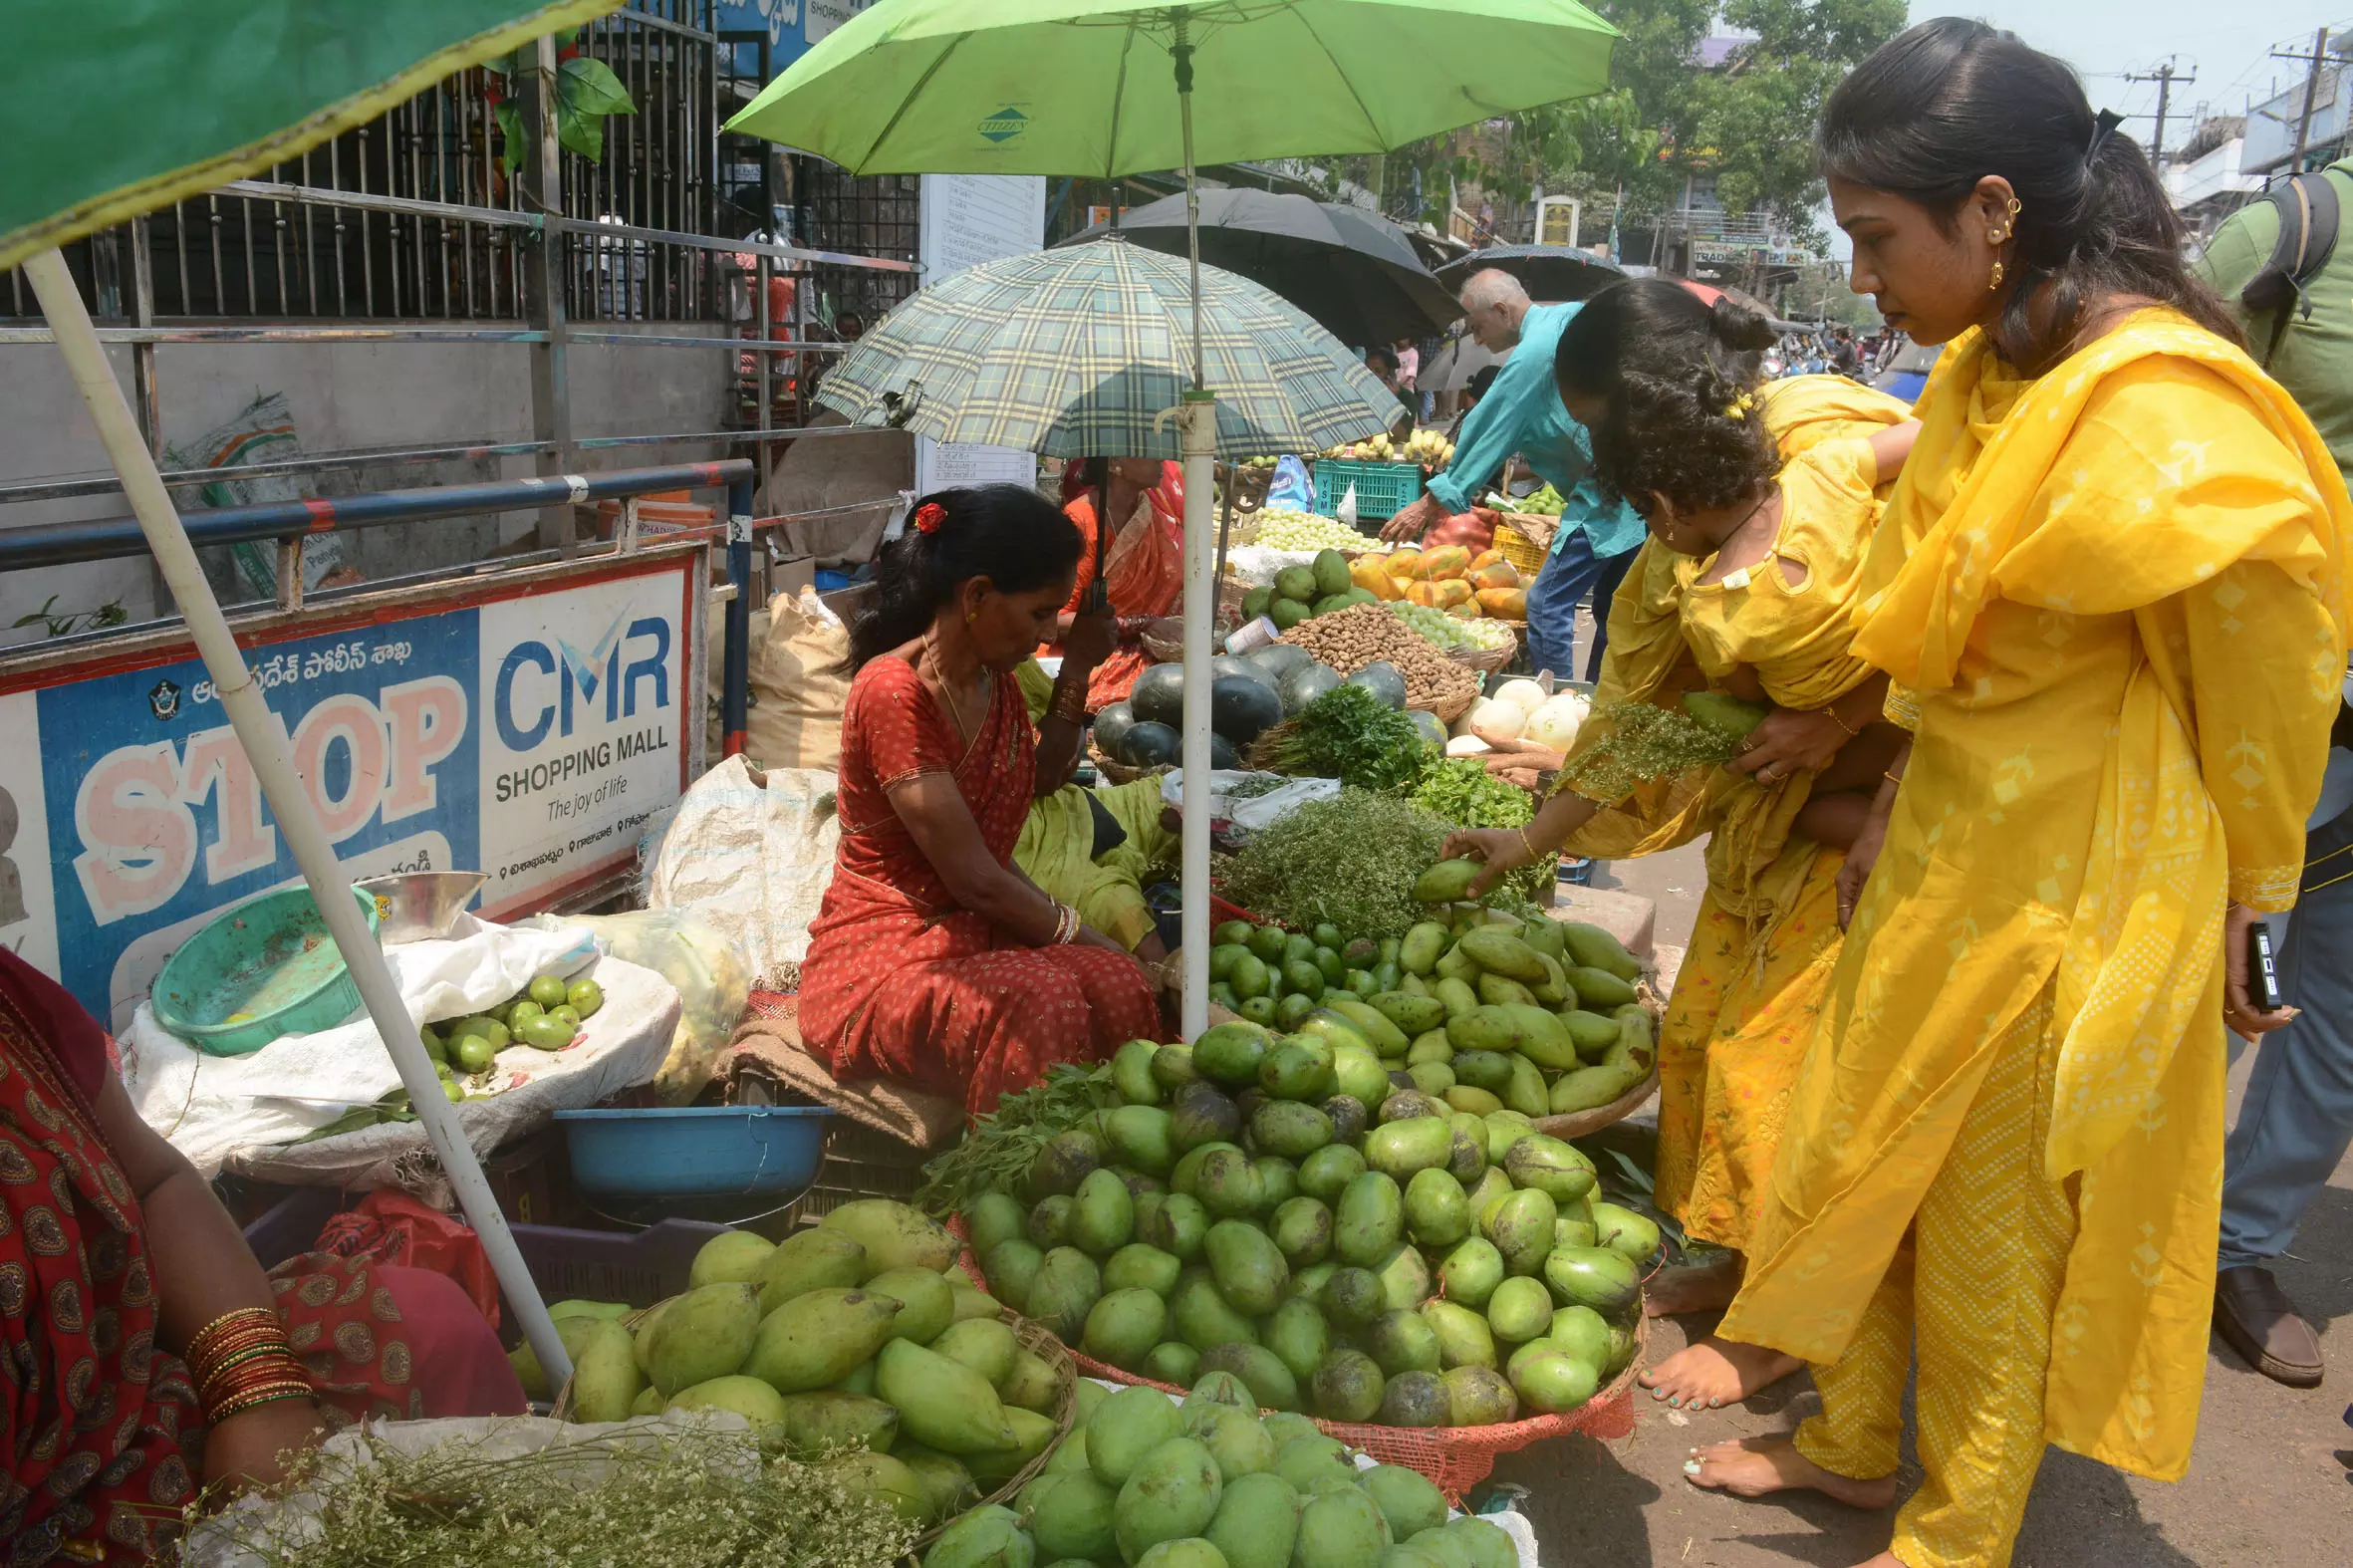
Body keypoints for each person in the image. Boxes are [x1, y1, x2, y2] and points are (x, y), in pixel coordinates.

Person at [1680, 23, 2351, 1568]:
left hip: (2080, 887)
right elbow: (1944, 626)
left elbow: (2263, 709)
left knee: (1990, 1226)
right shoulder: (1993, 361)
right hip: (1950, 846)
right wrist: (1905, 776)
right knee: (1860, 1146)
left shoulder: (2170, 418)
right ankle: (1850, 1442)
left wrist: (2252, 915)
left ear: (1991, 210)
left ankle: (1957, 1530)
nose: (1856, 278)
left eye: (1871, 239)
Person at [1440, 277, 1918, 1412]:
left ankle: (1777, 1328)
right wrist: (1525, 842)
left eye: (1597, 429)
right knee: (1700, 1039)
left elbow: (1972, 626)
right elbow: (1620, 728)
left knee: (1782, 1079)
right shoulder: (1672, 556)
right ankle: (1738, 1257)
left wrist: (1845, 723)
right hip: (1778, 820)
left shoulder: (1840, 462)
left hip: (1893, 808)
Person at [0, 946, 526, 1560]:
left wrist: (255, 1392)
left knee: (431, 1324)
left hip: (128, 1398)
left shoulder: (14, 1007)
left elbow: (152, 1184)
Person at [798, 485, 1164, 1116]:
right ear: (975, 596)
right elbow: (976, 879)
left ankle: (1114, 1167)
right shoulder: (893, 691)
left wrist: (1075, 668)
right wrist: (1085, 935)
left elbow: (1045, 778)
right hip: (884, 957)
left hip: (974, 936)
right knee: (1045, 990)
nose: (1049, 631)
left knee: (1122, 983)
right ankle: (1009, 1196)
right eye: (1040, 614)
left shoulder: (996, 686)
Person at [2191, 149, 2353, 1391]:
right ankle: (2121, 1207)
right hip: (2284, 715)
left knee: (2343, 1020)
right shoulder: (2296, 229)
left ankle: (2239, 1245)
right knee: (2227, 972)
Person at [1381, 269, 1645, 680]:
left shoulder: (1532, 355)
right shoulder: (1571, 317)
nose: (1479, 340)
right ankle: (1596, 701)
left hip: (1604, 494)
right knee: (1615, 605)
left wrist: (1429, 502)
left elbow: (1489, 426)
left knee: (1545, 603)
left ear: (1502, 310)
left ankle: (1556, 702)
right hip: (1635, 480)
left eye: (1478, 327)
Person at [1048, 457, 1185, 710]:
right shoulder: (1081, 519)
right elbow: (1055, 621)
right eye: (1148, 453)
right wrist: (1140, 623)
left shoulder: (1146, 513)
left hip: (1143, 642)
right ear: (1114, 462)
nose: (1161, 463)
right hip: (1085, 650)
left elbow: (1170, 585)